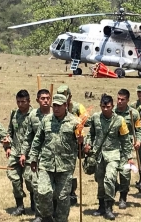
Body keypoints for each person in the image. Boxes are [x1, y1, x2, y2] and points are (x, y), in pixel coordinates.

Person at [29, 94, 82, 222]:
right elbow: (37, 140)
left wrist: (81, 141)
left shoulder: (75, 123)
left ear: (65, 106)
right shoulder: (46, 120)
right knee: (42, 192)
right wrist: (33, 158)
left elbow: (81, 147)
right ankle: (47, 217)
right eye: (54, 106)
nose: (56, 108)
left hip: (65, 165)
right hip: (46, 164)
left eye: (59, 106)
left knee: (62, 197)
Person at [84, 95, 133, 220]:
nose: (105, 109)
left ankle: (109, 207)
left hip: (113, 154)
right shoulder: (95, 118)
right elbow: (91, 133)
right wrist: (88, 143)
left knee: (109, 178)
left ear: (112, 106)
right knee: (100, 181)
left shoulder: (119, 120)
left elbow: (125, 140)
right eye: (103, 106)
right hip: (98, 155)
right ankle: (101, 206)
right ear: (100, 106)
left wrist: (129, 157)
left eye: (108, 107)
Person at [20, 89, 51, 222]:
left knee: (52, 189)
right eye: (42, 98)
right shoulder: (33, 116)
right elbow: (28, 137)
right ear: (38, 100)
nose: (45, 100)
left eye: (47, 98)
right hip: (37, 157)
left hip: (54, 157)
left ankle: (52, 213)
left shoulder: (56, 113)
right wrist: (23, 153)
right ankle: (39, 215)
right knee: (37, 185)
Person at [57, 85, 87, 207]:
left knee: (70, 169)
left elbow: (85, 118)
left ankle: (71, 192)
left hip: (75, 141)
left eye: (65, 97)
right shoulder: (56, 107)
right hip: (59, 141)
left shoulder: (77, 107)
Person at [6, 90, 33, 216]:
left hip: (30, 153)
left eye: (23, 102)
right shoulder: (14, 114)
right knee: (14, 179)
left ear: (29, 101)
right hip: (15, 152)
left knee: (30, 180)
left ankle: (34, 203)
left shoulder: (34, 115)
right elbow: (10, 132)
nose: (20, 104)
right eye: (18, 102)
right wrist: (8, 146)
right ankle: (20, 206)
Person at [114, 89, 141, 209]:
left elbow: (139, 129)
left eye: (122, 100)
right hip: (112, 146)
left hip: (126, 147)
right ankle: (115, 186)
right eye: (118, 99)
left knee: (125, 173)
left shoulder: (134, 113)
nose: (119, 102)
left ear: (127, 100)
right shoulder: (112, 111)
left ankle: (123, 197)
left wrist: (138, 140)